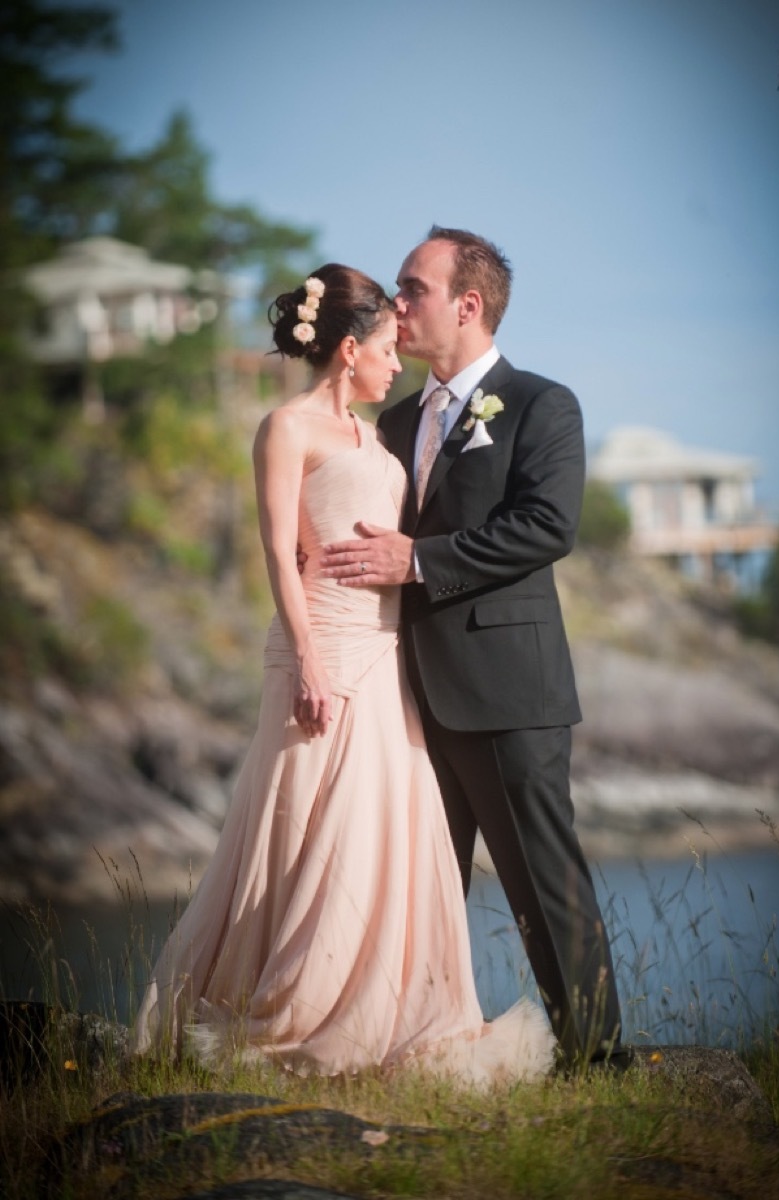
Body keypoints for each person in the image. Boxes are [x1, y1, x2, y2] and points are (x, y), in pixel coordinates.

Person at [131, 263, 554, 1083]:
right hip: (318, 655)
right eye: (388, 349)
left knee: (383, 840)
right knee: (293, 836)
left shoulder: (381, 434)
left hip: (388, 658)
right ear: (350, 348)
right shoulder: (286, 428)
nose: (398, 364)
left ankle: (384, 1012)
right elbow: (279, 557)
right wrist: (310, 665)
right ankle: (282, 1009)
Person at [320, 228, 630, 1072]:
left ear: (469, 304)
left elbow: (545, 526)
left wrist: (417, 560)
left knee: (544, 888)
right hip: (403, 696)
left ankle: (597, 1061)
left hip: (506, 693)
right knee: (422, 890)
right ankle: (419, 1051)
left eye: (413, 288)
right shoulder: (393, 420)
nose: (397, 305)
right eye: (395, 290)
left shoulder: (541, 403)